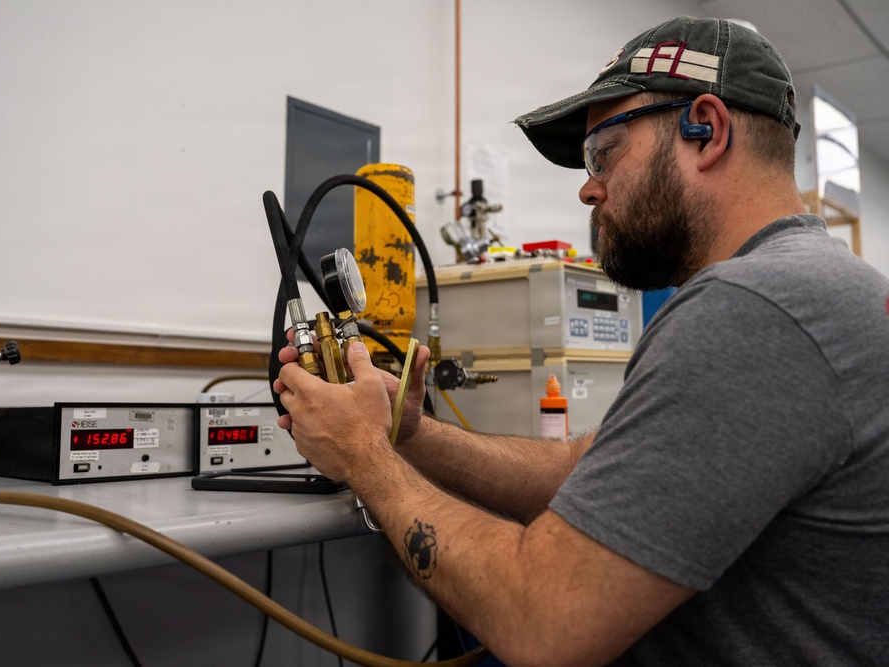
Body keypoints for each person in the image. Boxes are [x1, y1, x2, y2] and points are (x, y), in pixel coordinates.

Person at [274, 16, 889, 667]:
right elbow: (582, 470)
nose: (587, 186)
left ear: (706, 129)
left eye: (605, 152)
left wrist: (364, 455)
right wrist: (410, 432)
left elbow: (542, 621)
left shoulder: (756, 307)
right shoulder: (808, 286)